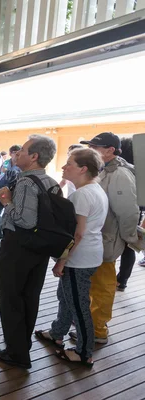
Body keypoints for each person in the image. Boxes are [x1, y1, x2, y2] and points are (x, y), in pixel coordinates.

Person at [34, 148, 108, 367]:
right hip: (90, 255)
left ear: (83, 169)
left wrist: (62, 260)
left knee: (78, 304)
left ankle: (84, 353)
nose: (64, 167)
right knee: (65, 296)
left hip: (80, 259)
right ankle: (57, 331)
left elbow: (78, 232)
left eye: (69, 164)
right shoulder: (95, 189)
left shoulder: (82, 195)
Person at [0, 135, 59, 369]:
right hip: (39, 249)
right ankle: (22, 345)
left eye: (23, 150)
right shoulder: (51, 182)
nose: (17, 153)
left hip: (18, 247)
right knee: (30, 297)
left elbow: (24, 220)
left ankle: (16, 352)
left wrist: (7, 201)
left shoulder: (26, 182)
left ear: (34, 157)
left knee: (10, 298)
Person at [79, 132, 139, 343]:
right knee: (92, 285)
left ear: (110, 150)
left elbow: (128, 212)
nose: (90, 150)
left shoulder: (120, 174)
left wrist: (127, 238)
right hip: (96, 239)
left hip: (108, 240)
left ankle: (97, 330)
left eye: (94, 147)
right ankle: (87, 325)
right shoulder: (103, 170)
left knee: (103, 285)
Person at [116, 137, 139, 291]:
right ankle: (122, 280)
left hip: (119, 212)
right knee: (129, 246)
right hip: (136, 213)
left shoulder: (122, 171)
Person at [0, 145, 21, 243]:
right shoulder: (6, 162)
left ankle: (6, 236)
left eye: (18, 152)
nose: (16, 154)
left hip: (12, 193)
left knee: (7, 216)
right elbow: (1, 176)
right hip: (1, 190)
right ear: (10, 153)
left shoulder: (21, 165)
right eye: (14, 152)